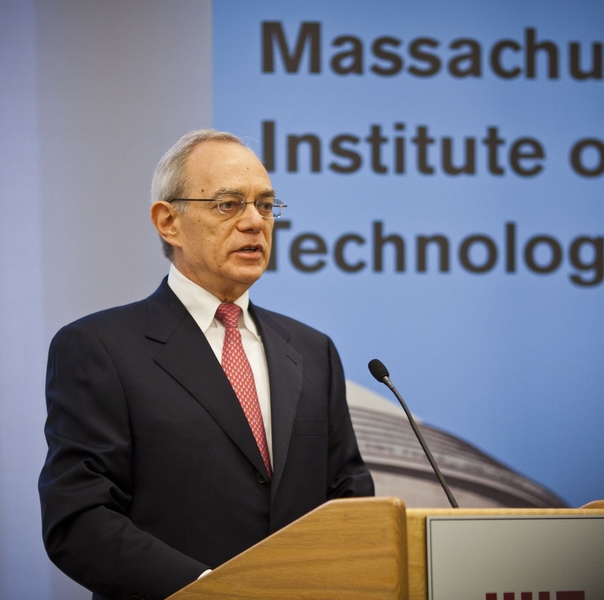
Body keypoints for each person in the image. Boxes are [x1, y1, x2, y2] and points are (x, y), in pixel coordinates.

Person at [38, 129, 374, 600]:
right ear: (168, 221)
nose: (255, 222)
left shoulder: (313, 350)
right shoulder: (99, 348)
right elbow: (78, 520)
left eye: (265, 205)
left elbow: (350, 497)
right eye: (229, 204)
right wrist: (210, 592)